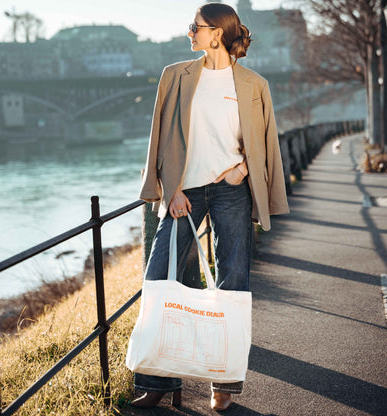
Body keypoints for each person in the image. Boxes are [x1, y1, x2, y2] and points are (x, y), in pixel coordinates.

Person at [132, 2, 289, 411]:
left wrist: (242, 170)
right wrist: (170, 190)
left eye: (195, 27)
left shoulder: (254, 85)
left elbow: (264, 141)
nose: (190, 32)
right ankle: (156, 380)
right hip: (185, 192)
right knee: (160, 274)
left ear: (217, 33)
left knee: (233, 281)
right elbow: (161, 137)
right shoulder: (176, 76)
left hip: (230, 190)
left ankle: (226, 381)